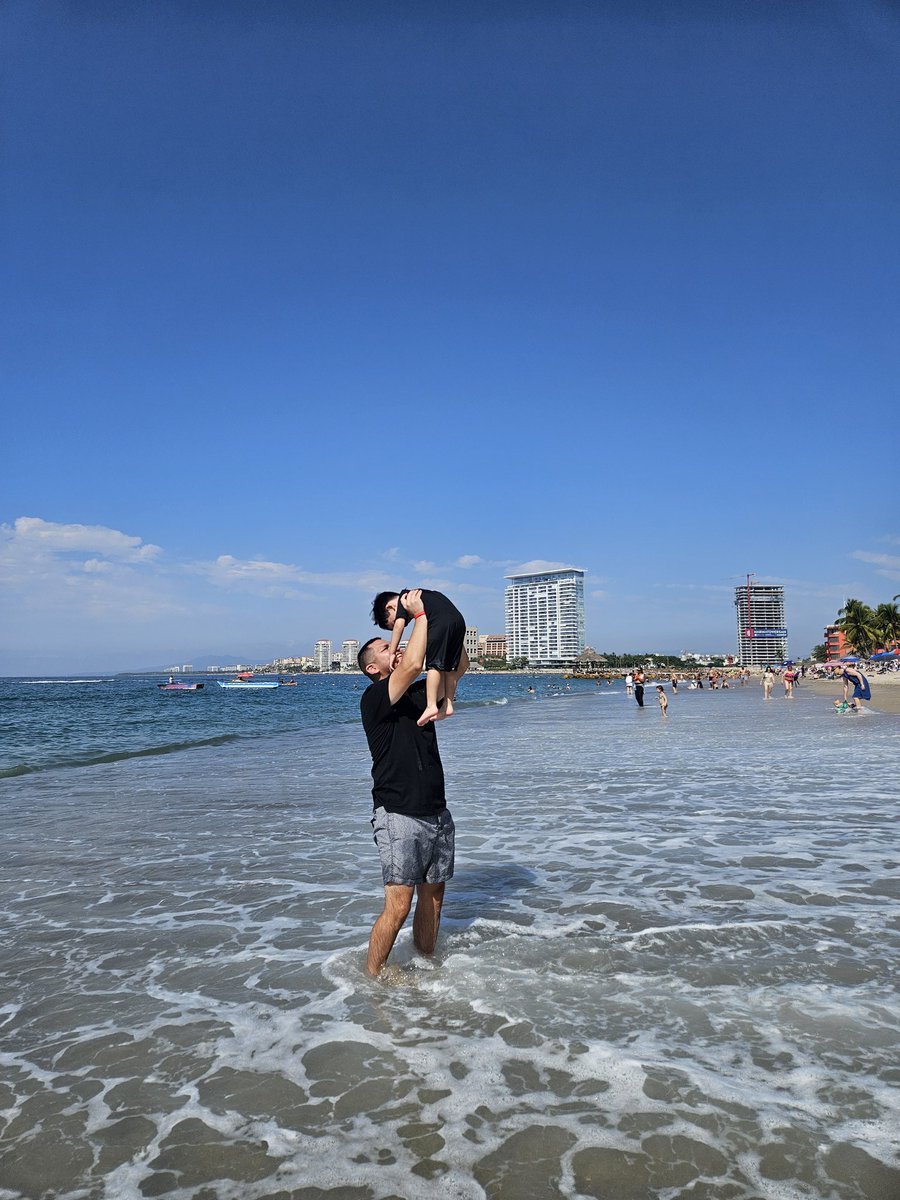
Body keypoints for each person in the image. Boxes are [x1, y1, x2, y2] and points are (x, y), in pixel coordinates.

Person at [358, 592, 458, 977]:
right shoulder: (374, 700)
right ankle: (372, 979)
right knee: (398, 906)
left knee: (432, 902)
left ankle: (426, 967)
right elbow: (415, 662)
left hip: (436, 810)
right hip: (397, 813)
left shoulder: (419, 697)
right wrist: (419, 614)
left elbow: (455, 668)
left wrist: (448, 628)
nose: (393, 648)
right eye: (385, 647)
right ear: (373, 668)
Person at [372, 588, 469, 725]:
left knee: (434, 665)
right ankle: (447, 704)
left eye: (393, 625)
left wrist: (392, 651)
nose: (404, 623)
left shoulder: (404, 598)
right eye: (385, 648)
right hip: (458, 620)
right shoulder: (374, 697)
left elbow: (414, 665)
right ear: (371, 668)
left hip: (442, 622)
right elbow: (414, 666)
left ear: (391, 607)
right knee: (449, 668)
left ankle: (431, 706)